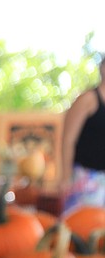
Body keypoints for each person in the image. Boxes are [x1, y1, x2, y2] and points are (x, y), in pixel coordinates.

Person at [60, 54, 105, 210]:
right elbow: (68, 140)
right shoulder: (88, 99)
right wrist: (65, 178)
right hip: (85, 178)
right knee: (81, 228)